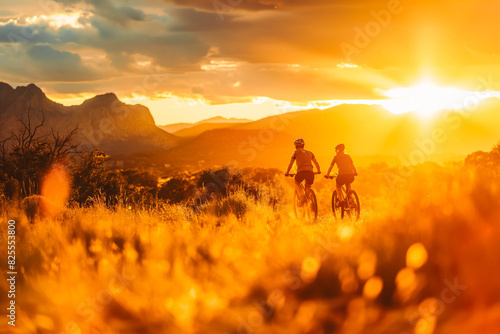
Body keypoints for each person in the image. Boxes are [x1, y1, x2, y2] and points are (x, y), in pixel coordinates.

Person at [285, 138, 321, 205]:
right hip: (310, 172)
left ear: (296, 146)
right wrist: (318, 170)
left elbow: (291, 163)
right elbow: (316, 163)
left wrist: (287, 172)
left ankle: (302, 197)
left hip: (301, 172)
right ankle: (310, 200)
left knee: (296, 182)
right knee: (308, 185)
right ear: (303, 145)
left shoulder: (295, 153)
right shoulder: (310, 153)